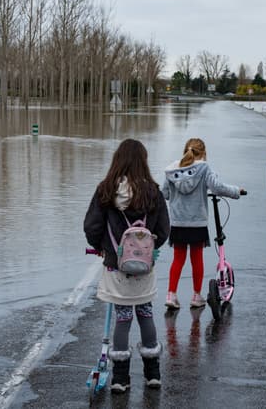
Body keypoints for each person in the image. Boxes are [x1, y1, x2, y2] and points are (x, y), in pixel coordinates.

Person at [84, 138, 170, 393]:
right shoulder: (153, 192)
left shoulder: (106, 190)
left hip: (116, 267)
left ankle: (120, 378)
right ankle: (153, 374)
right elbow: (164, 230)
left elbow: (92, 226)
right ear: (143, 162)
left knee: (122, 317)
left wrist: (103, 248)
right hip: (144, 267)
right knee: (145, 313)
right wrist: (149, 249)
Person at [162, 138, 243, 310]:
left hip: (178, 222)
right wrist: (236, 191)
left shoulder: (172, 170)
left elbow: (165, 194)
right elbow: (217, 187)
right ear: (204, 153)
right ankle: (196, 296)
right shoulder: (204, 168)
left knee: (178, 259)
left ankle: (171, 294)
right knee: (196, 259)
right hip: (197, 222)